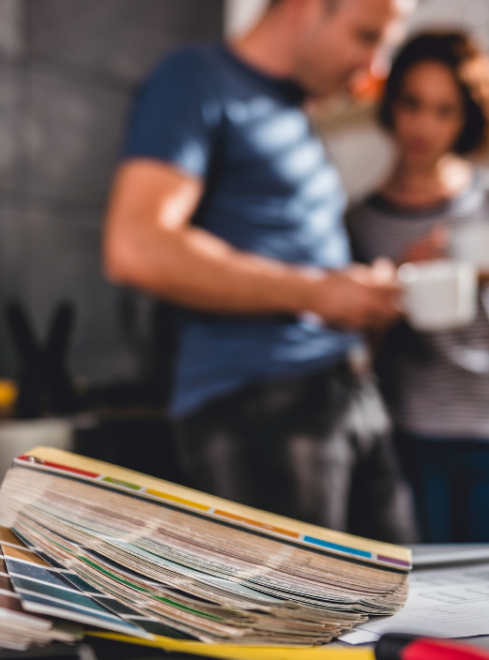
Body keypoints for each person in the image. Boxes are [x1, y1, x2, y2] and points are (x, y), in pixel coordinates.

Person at [102, 0, 417, 542]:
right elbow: (136, 244)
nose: (375, 68)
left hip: (345, 391)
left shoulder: (293, 112)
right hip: (260, 405)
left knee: (400, 603)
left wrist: (359, 294)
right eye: (365, 37)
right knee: (306, 622)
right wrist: (319, 293)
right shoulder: (195, 80)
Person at [346, 32, 489, 543]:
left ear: (466, 118)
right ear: (391, 103)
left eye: (445, 111)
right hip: (410, 443)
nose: (424, 126)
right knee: (424, 611)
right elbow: (357, 357)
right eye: (412, 104)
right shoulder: (362, 221)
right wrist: (398, 278)